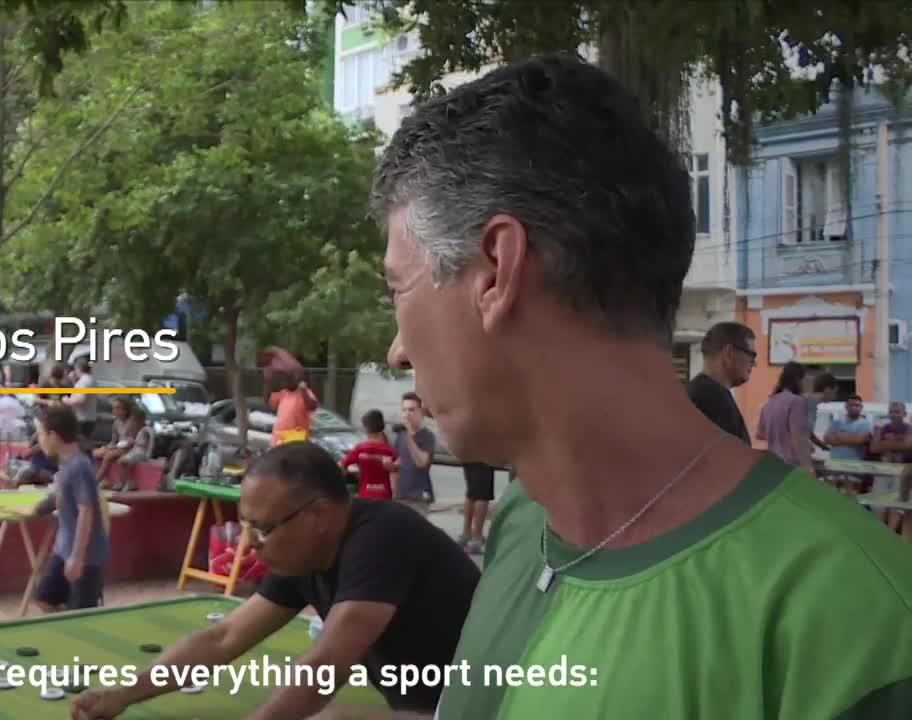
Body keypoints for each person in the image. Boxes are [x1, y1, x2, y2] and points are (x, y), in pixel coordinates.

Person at [370, 53, 912, 718]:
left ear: (494, 271)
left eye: (398, 287)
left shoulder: (860, 625)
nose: (397, 350)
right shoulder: (527, 521)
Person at [70, 442, 480, 720]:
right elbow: (223, 639)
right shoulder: (304, 553)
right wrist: (122, 695)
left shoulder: (384, 536)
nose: (253, 544)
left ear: (317, 515)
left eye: (264, 529)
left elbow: (324, 666)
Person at [12, 404, 109, 612]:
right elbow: (58, 496)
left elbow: (86, 511)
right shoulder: (65, 465)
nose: (39, 440)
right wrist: (33, 511)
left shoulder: (79, 466)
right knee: (43, 598)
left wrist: (77, 557)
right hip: (63, 549)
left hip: (85, 555)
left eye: (41, 434)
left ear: (53, 436)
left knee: (81, 614)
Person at [686, 321, 755, 443]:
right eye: (751, 355)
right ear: (728, 353)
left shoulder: (694, 391)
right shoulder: (715, 400)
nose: (754, 363)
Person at [756, 362, 815, 473]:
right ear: (798, 379)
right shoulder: (796, 401)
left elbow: (760, 434)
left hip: (772, 463)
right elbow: (797, 438)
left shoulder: (769, 402)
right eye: (806, 379)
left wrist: (779, 438)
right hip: (791, 467)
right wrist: (808, 466)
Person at [870, 401, 912, 534]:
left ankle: (891, 533)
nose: (894, 414)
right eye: (891, 411)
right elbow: (874, 448)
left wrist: (885, 444)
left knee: (897, 504)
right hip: (883, 469)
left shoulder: (909, 429)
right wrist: (896, 444)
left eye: (897, 412)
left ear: (904, 414)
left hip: (901, 471)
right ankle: (880, 533)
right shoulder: (882, 428)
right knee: (877, 504)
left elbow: (908, 445)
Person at [390, 392, 436, 514]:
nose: (407, 414)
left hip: (419, 497)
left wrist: (409, 435)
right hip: (401, 496)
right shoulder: (400, 435)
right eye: (404, 410)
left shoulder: (427, 436)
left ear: (420, 412)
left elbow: (421, 463)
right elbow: (397, 464)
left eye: (411, 410)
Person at [823, 394, 874, 497]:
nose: (853, 407)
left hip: (853, 467)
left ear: (861, 407)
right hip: (834, 465)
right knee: (831, 497)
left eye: (857, 405)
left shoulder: (865, 424)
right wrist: (850, 438)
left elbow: (859, 440)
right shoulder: (836, 422)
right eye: (851, 405)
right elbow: (827, 439)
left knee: (850, 497)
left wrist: (838, 437)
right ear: (846, 406)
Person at [340, 409, 397, 500]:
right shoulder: (390, 451)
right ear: (382, 427)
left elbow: (341, 466)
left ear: (366, 428)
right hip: (385, 496)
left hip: (365, 495)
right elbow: (395, 472)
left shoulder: (360, 449)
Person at [269, 374, 318, 446]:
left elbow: (312, 406)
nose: (285, 382)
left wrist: (303, 391)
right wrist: (274, 389)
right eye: (284, 380)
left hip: (296, 437)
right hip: (279, 438)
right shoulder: (283, 393)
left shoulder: (306, 392)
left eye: (288, 379)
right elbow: (272, 407)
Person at [459, 463, 494, 555]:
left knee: (471, 491)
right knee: (482, 494)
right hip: (483, 454)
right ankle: (476, 539)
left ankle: (466, 535)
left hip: (468, 452)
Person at [802, 371, 840, 451]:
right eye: (835, 392)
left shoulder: (812, 405)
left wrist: (824, 447)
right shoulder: (804, 402)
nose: (835, 397)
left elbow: (809, 433)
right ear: (827, 389)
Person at [63, 357, 98, 443]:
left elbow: (80, 400)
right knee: (84, 443)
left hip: (82, 419)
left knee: (79, 444)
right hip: (89, 418)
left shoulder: (84, 381)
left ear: (78, 368)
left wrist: (66, 400)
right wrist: (74, 381)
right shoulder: (90, 379)